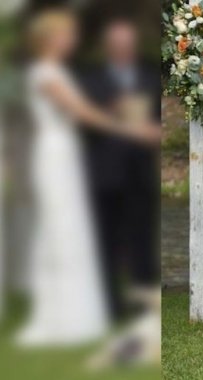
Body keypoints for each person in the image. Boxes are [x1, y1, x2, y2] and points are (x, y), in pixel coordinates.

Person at [19, 9, 158, 346]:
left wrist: (118, 115)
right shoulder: (46, 72)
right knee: (64, 229)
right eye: (67, 35)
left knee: (73, 230)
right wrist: (135, 129)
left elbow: (89, 111)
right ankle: (66, 314)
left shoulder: (56, 71)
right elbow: (82, 113)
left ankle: (82, 310)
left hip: (67, 155)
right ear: (51, 38)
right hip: (56, 155)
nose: (73, 40)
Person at [79, 18, 160, 321]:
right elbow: (79, 123)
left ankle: (144, 305)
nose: (123, 49)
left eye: (127, 44)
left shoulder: (149, 77)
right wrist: (110, 114)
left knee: (142, 239)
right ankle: (109, 306)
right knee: (106, 242)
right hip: (104, 173)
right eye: (117, 44)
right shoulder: (90, 79)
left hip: (140, 172)